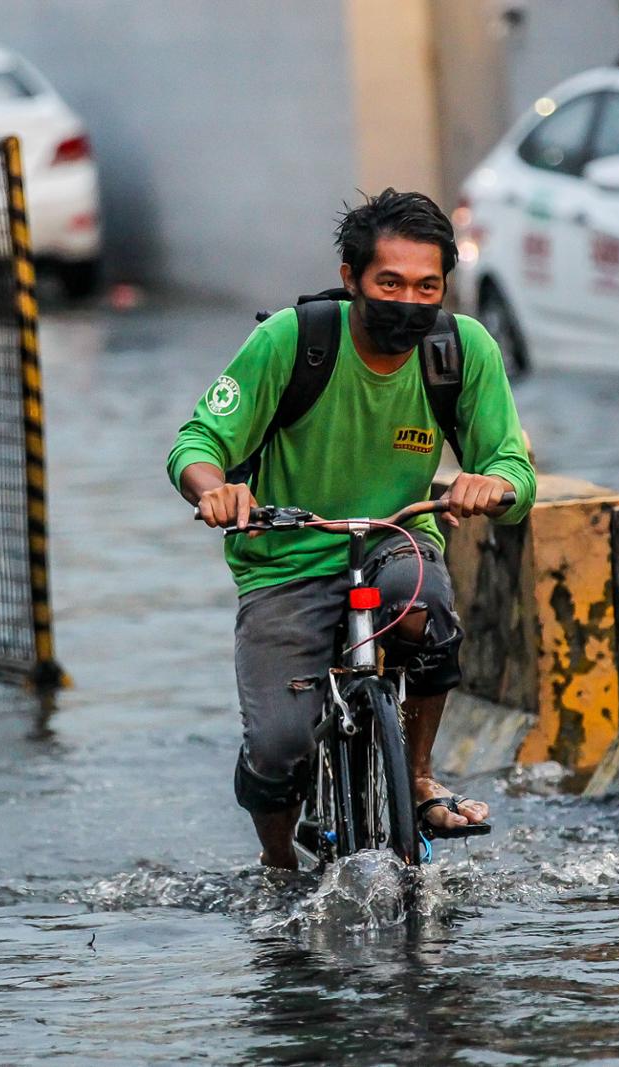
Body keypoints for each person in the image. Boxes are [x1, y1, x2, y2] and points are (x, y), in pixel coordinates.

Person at [167, 189, 537, 869]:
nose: (409, 300)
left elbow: (513, 468)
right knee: (279, 746)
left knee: (427, 609)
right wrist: (215, 489)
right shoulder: (291, 340)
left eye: (427, 286)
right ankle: (277, 862)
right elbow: (198, 441)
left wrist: (493, 484)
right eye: (389, 283)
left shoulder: (461, 350)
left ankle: (418, 775)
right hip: (286, 558)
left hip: (396, 540)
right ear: (351, 277)